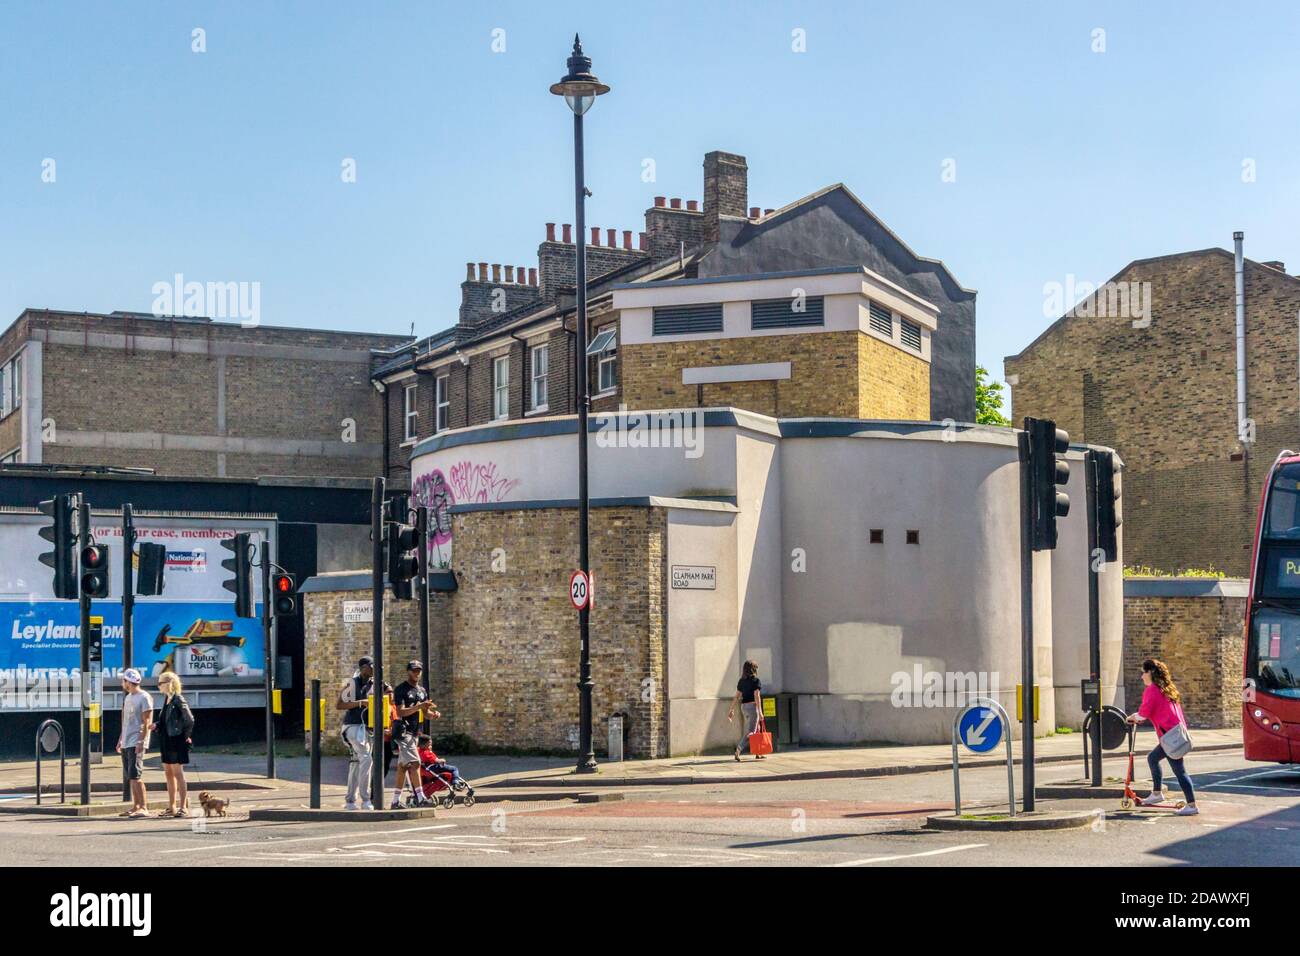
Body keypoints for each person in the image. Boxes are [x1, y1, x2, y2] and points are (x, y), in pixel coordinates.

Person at [1127, 657, 1198, 815]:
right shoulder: (1167, 687)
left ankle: (1192, 805)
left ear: (1151, 672)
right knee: (1153, 758)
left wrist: (1131, 717)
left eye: (1143, 672)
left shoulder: (1152, 689)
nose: (1142, 676)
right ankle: (1157, 794)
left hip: (1170, 737)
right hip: (1175, 733)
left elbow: (1144, 713)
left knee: (1179, 771)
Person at [391, 661, 440, 808]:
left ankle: (395, 801)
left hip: (414, 733)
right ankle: (420, 797)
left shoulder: (422, 691)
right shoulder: (401, 689)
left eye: (419, 670)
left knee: (403, 767)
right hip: (403, 731)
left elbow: (425, 713)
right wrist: (418, 706)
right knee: (416, 763)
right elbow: (400, 712)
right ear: (408, 671)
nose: (416, 673)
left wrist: (433, 714)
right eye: (414, 671)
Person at [152, 671, 195, 818]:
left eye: (160, 683)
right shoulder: (167, 700)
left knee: (178, 773)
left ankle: (183, 807)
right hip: (166, 739)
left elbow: (189, 719)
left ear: (168, 683)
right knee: (168, 774)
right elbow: (166, 721)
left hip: (176, 740)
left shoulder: (177, 699)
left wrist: (185, 736)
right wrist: (156, 725)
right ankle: (172, 807)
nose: (158, 686)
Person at [336, 655, 375, 810]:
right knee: (366, 758)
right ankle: (366, 800)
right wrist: (360, 703)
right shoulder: (352, 684)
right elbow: (339, 705)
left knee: (356, 763)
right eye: (371, 666)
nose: (373, 669)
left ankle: (350, 801)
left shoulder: (374, 684)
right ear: (363, 668)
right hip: (353, 726)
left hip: (367, 728)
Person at [116, 668, 153, 818]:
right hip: (126, 741)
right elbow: (125, 721)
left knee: (136, 775)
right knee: (130, 775)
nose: (122, 683)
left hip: (136, 741)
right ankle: (136, 805)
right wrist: (120, 739)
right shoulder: (128, 697)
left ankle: (143, 807)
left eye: (123, 680)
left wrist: (141, 741)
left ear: (128, 682)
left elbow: (147, 721)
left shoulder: (144, 697)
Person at [727, 659, 765, 761]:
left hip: (744, 707)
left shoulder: (741, 681)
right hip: (752, 707)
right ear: (753, 669)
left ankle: (758, 752)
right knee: (751, 731)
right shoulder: (756, 681)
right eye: (756, 668)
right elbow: (757, 696)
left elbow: (736, 697)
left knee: (757, 727)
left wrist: (731, 710)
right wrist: (760, 712)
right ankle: (739, 749)